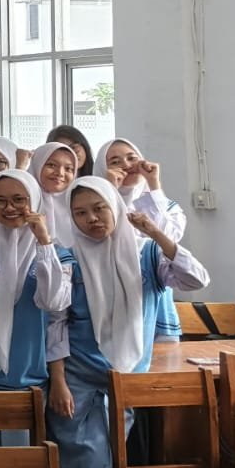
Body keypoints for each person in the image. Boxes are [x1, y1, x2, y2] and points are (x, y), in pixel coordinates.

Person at [47, 177, 210, 468]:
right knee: (87, 462)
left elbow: (195, 278)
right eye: (80, 213)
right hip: (78, 382)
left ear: (117, 208)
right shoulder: (69, 258)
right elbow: (56, 323)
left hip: (127, 382)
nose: (91, 219)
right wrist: (58, 380)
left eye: (99, 208)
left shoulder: (147, 255)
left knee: (119, 463)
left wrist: (156, 233)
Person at [0, 171, 70, 448]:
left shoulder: (56, 254)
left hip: (28, 378)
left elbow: (55, 305)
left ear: (34, 201)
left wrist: (43, 242)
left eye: (19, 199)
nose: (9, 208)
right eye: (0, 201)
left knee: (24, 466)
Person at [97, 138, 188, 342]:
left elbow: (167, 239)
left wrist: (154, 185)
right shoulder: (93, 207)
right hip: (111, 296)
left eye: (132, 158)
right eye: (115, 162)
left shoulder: (165, 205)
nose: (126, 165)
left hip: (152, 295)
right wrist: (108, 191)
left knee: (161, 357)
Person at [25, 142, 79, 247]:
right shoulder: (20, 203)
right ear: (37, 165)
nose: (60, 173)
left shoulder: (78, 206)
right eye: (51, 165)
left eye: (68, 169)